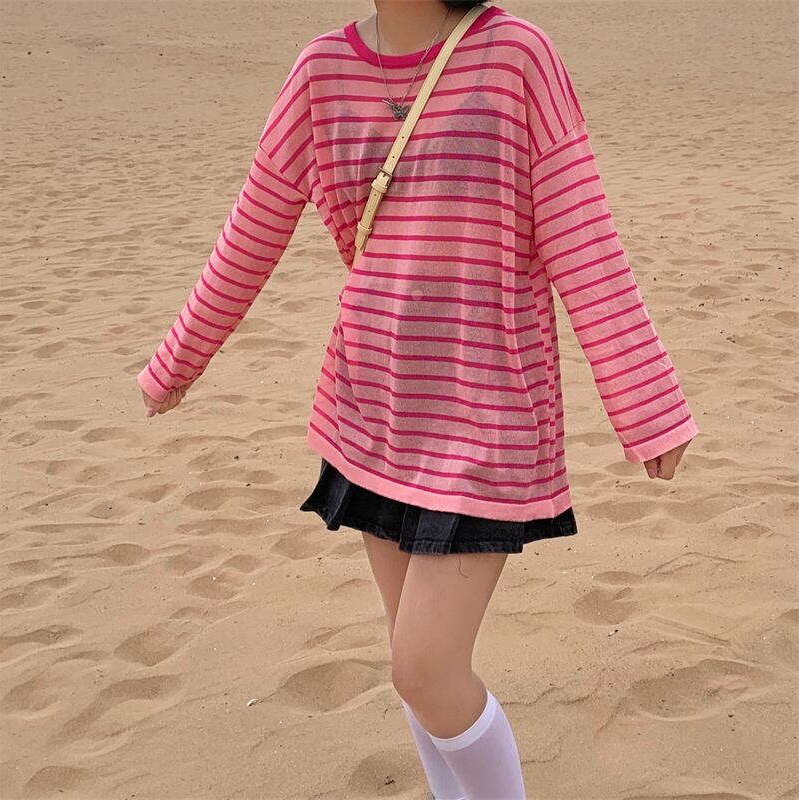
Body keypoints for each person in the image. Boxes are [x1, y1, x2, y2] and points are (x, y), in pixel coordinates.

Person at [136, 1, 698, 797]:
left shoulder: (517, 57)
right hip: (374, 411)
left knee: (426, 668)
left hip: (487, 414)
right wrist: (177, 362)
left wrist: (647, 403)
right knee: (415, 670)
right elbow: (252, 229)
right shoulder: (321, 72)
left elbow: (583, 237)